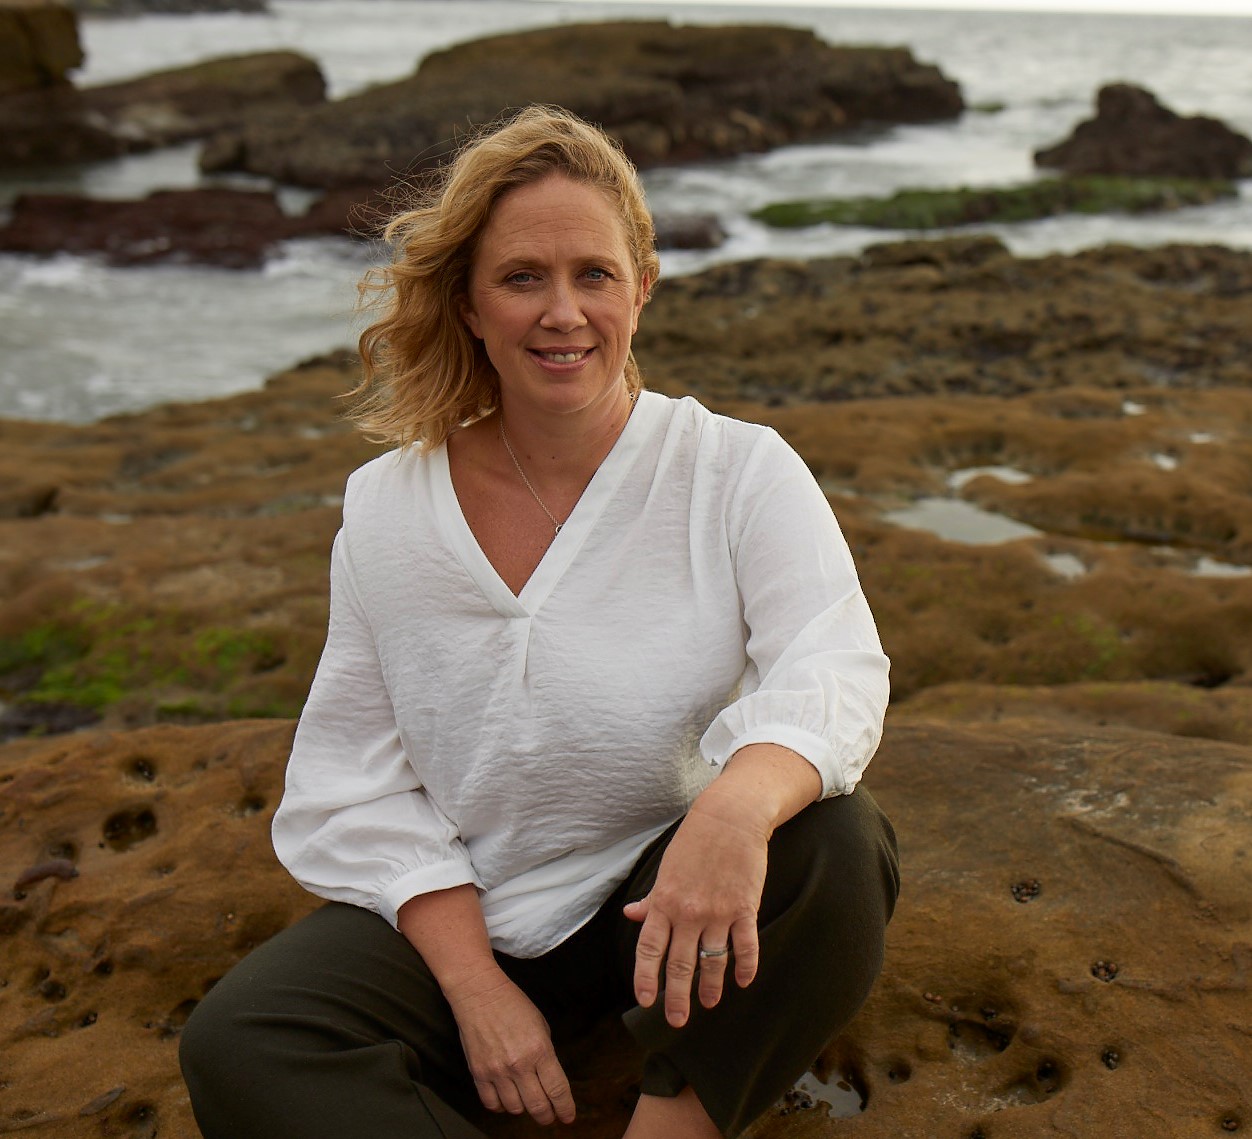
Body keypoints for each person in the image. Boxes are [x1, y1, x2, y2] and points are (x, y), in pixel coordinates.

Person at [179, 105, 899, 1139]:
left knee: (837, 844)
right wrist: (476, 989)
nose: (563, 311)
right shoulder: (388, 507)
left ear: (641, 289)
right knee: (244, 1039)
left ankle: (672, 1122)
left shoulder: (735, 470)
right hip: (471, 903)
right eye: (523, 278)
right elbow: (359, 775)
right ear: (470, 305)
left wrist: (733, 814)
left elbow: (833, 663)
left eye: (593, 275)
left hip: (661, 896)